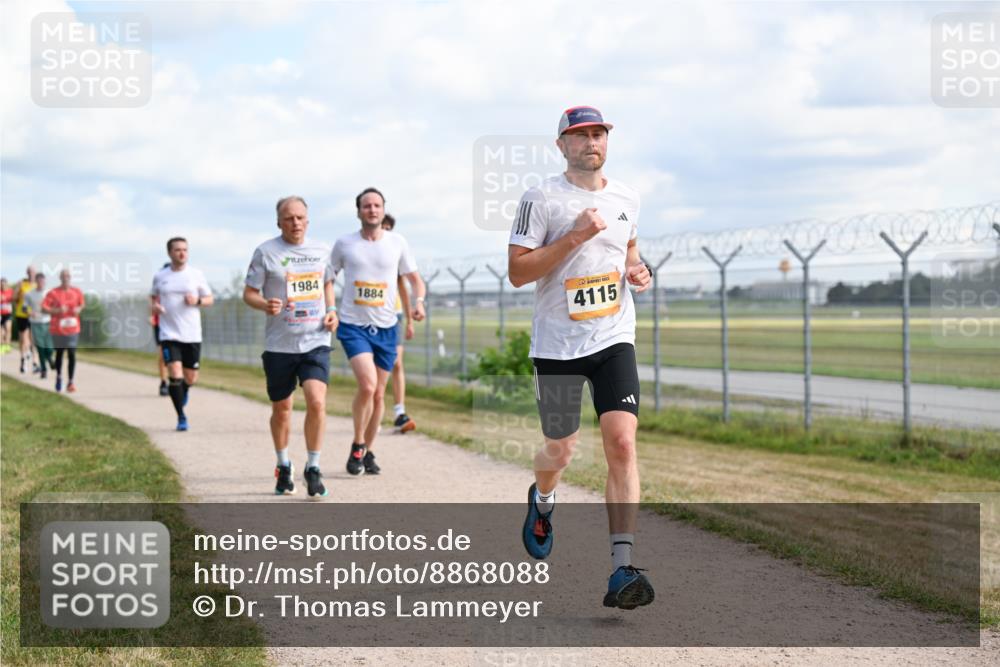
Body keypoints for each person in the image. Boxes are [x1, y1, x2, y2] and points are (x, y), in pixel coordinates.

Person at [508, 106, 654, 610]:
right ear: (562, 145)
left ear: (607, 142)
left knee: (622, 442)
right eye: (581, 135)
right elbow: (518, 272)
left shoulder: (627, 197)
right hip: (557, 345)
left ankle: (622, 567)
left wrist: (638, 272)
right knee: (561, 450)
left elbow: (629, 251)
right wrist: (576, 235)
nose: (591, 141)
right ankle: (543, 500)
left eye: (599, 133)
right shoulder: (540, 198)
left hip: (614, 335)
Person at [244, 195, 338, 498]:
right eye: (288, 218)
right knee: (282, 409)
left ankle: (313, 466)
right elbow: (248, 293)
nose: (295, 223)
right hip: (280, 344)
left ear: (307, 220)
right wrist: (264, 304)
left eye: (300, 217)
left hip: (315, 340)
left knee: (316, 401)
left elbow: (327, 285)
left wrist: (332, 310)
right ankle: (283, 466)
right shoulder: (266, 252)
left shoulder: (323, 251)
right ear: (278, 222)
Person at [331, 187, 425, 476]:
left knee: (378, 394)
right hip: (353, 325)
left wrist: (418, 303)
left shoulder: (397, 243)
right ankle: (358, 443)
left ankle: (366, 450)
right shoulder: (345, 244)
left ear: (383, 210)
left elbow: (415, 280)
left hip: (386, 327)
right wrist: (328, 308)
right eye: (366, 206)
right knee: (368, 386)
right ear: (358, 211)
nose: (372, 210)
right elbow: (327, 276)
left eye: (376, 205)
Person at [151, 238, 214, 431]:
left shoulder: (195, 275)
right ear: (169, 252)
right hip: (169, 334)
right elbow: (153, 299)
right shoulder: (160, 276)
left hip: (192, 334)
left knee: (190, 378)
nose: (182, 253)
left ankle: (183, 391)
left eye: (185, 250)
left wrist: (197, 301)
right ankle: (181, 416)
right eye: (178, 250)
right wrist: (154, 307)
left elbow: (210, 299)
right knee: (175, 375)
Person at [381, 213, 416, 433]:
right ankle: (374, 410)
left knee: (396, 363)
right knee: (376, 369)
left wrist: (410, 320)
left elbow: (403, 288)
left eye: (387, 228)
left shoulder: (393, 256)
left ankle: (399, 412)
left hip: (394, 316)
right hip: (369, 319)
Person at [42, 269, 85, 392]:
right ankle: (59, 376)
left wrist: (79, 309)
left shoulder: (77, 291)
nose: (66, 278)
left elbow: (82, 304)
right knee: (59, 354)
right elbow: (44, 308)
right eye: (64, 276)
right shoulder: (53, 293)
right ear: (60, 278)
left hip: (73, 328)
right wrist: (56, 311)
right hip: (58, 329)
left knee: (72, 353)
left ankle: (71, 382)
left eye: (68, 276)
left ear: (70, 278)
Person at [23, 272, 54, 379]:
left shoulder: (49, 293)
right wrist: (30, 312)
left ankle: (50, 358)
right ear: (36, 282)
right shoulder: (29, 294)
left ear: (45, 281)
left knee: (49, 347)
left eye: (43, 281)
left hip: (48, 321)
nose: (41, 283)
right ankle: (44, 370)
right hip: (35, 323)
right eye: (39, 281)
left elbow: (55, 305)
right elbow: (24, 308)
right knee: (40, 347)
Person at [152, 262, 171, 396]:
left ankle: (175, 380)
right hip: (160, 324)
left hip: (179, 326)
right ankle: (164, 382)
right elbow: (152, 304)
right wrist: (151, 316)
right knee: (163, 355)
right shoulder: (158, 288)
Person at [13, 267, 36, 373]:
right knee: (23, 339)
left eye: (33, 272)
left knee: (33, 339)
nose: (31, 274)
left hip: (34, 315)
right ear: (27, 273)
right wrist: (17, 291)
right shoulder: (22, 284)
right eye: (29, 272)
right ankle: (23, 361)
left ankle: (34, 362)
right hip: (22, 314)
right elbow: (14, 299)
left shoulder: (37, 284)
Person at [1, 278, 13, 354]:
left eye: (4, 284)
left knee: (8, 329)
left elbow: (14, 298)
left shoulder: (10, 291)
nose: (2, 285)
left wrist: (6, 298)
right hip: (0, 314)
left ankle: (7, 345)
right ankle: (2, 346)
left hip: (8, 313)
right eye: (1, 284)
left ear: (6, 284)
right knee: (1, 332)